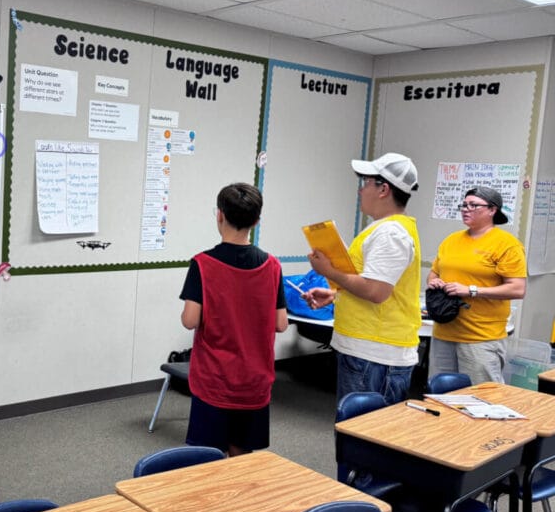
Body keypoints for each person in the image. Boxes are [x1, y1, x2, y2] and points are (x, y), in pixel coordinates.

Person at [179, 182, 288, 456]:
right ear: (257, 220)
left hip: (214, 380)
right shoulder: (272, 265)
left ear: (219, 215)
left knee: (208, 458)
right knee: (241, 459)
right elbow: (280, 324)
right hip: (254, 383)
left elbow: (190, 320)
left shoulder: (203, 264)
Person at [306, 152, 422, 405]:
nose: (361, 191)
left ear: (383, 189)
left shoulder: (390, 233)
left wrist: (330, 272)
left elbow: (376, 291)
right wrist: (337, 293)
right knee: (359, 434)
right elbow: (371, 282)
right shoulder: (383, 228)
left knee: (363, 436)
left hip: (375, 353)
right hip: (369, 349)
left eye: (366, 183)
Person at [427, 186, 526, 384]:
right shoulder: (451, 240)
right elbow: (433, 273)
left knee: (480, 400)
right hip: (444, 333)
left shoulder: (506, 244)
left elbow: (517, 288)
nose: (466, 209)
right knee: (441, 395)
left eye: (473, 205)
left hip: (480, 337)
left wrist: (471, 290)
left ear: (492, 210)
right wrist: (434, 282)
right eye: (464, 205)